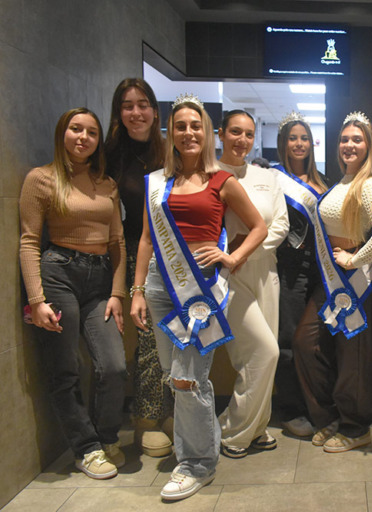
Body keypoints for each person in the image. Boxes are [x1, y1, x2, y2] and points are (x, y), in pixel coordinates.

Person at [130, 94, 267, 500]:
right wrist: (137, 290)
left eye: (197, 126)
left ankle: (197, 465)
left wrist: (233, 256)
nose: (189, 132)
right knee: (176, 377)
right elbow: (145, 239)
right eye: (182, 126)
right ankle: (196, 452)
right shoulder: (159, 183)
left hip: (202, 289)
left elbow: (257, 227)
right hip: (159, 285)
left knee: (189, 377)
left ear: (208, 133)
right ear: (171, 133)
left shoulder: (222, 181)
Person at [20, 108, 127, 479]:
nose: (83, 137)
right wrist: (36, 300)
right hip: (59, 274)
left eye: (91, 132)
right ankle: (87, 449)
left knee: (114, 366)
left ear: (99, 141)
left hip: (100, 283)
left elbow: (118, 243)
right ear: (61, 133)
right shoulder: (42, 179)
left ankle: (107, 437)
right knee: (66, 369)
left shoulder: (106, 184)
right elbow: (30, 241)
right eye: (75, 129)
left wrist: (117, 293)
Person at [293, 111, 372, 453]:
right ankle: (328, 417)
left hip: (357, 282)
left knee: (353, 356)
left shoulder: (367, 183)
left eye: (357, 139)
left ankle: (356, 428)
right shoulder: (341, 181)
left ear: (369, 145)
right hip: (329, 278)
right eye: (344, 139)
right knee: (306, 344)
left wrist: (355, 259)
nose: (349, 145)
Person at [105, 78, 173, 457]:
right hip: (136, 253)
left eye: (143, 104)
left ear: (154, 110)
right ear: (119, 112)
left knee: (180, 336)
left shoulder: (170, 150)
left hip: (177, 254)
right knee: (148, 341)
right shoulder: (109, 155)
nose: (136, 112)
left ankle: (174, 411)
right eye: (128, 106)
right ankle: (146, 418)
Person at [216, 110, 289, 458]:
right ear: (220, 134)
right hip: (228, 277)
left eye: (248, 134)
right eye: (234, 132)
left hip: (265, 270)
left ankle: (258, 427)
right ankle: (232, 430)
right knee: (260, 352)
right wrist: (235, 256)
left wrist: (245, 249)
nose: (241, 140)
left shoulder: (267, 176)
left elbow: (281, 225)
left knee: (266, 357)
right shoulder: (208, 176)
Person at [273, 112, 328, 438]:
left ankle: (317, 405)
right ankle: (291, 411)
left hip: (320, 270)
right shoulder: (272, 178)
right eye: (292, 138)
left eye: (304, 138)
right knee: (288, 341)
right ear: (284, 143)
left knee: (316, 342)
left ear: (312, 143)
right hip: (289, 270)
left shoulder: (323, 182)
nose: (299, 143)